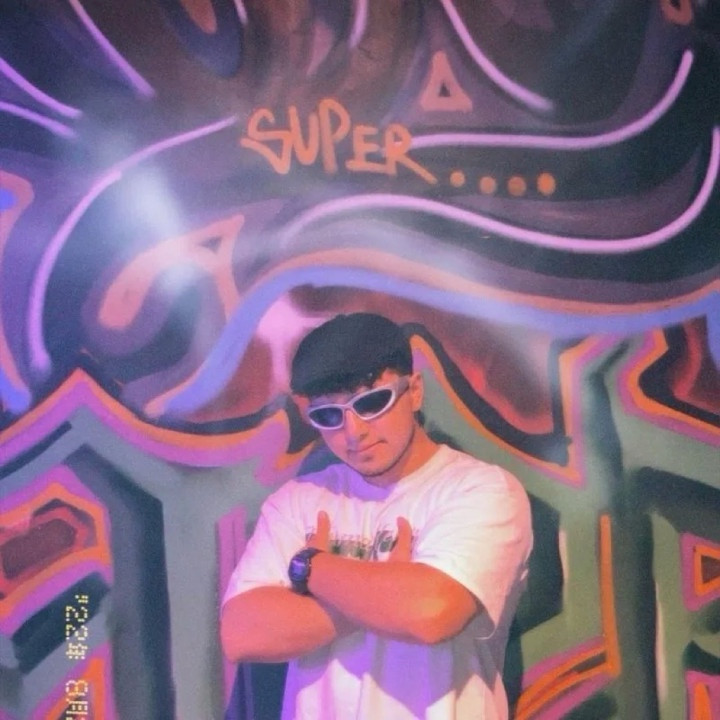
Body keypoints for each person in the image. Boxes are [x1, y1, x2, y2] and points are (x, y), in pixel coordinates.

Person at [221, 312, 533, 720]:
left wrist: (311, 566)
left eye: (371, 403)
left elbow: (430, 612)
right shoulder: (298, 501)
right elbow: (241, 633)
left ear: (414, 391)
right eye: (329, 415)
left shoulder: (481, 490)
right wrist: (384, 595)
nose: (354, 432)